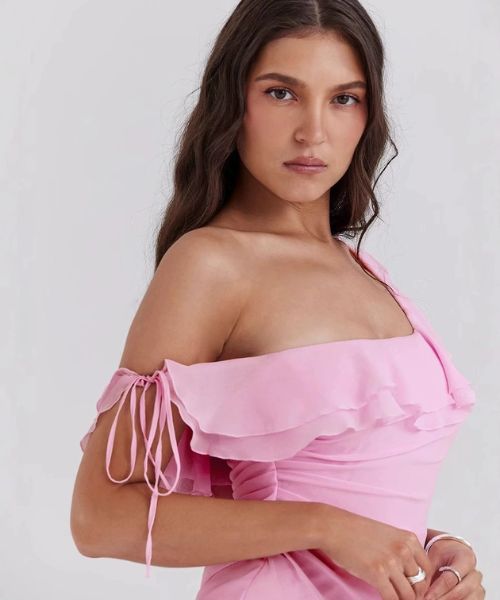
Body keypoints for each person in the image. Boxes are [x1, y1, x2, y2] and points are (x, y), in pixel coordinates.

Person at [69, 1, 484, 598]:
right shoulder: (210, 265)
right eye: (281, 93)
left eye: (344, 98)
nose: (313, 132)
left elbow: (355, 491)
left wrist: (429, 550)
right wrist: (324, 526)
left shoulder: (363, 269)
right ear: (232, 101)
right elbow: (100, 519)